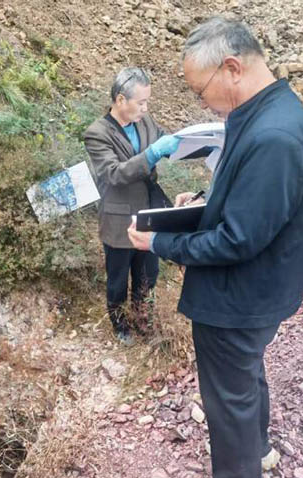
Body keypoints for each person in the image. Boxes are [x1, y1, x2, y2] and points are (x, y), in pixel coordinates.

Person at [127, 17, 303, 478]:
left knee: (228, 402)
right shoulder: (264, 113)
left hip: (238, 299)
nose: (201, 102)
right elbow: (250, 203)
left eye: (200, 91)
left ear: (232, 68)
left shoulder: (274, 136)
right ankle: (260, 451)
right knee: (244, 378)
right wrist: (202, 204)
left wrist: (159, 242)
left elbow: (238, 239)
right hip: (254, 292)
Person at [84, 67, 181, 345]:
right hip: (119, 219)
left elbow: (165, 140)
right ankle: (120, 325)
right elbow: (114, 173)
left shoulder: (144, 121)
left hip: (148, 214)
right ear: (120, 100)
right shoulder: (97, 133)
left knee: (148, 274)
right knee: (118, 278)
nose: (145, 108)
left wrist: (189, 144)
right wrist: (152, 154)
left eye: (147, 102)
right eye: (141, 102)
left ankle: (144, 321)